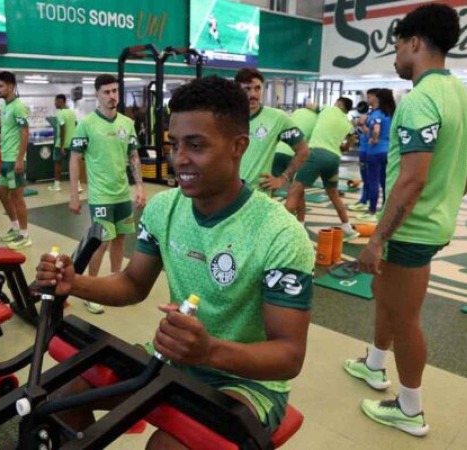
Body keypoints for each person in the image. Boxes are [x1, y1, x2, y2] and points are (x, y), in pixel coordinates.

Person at [36, 76, 314, 447]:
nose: (179, 159)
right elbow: (134, 283)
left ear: (238, 146)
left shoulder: (280, 234)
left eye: (196, 146)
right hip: (175, 358)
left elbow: (289, 356)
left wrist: (209, 350)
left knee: (165, 447)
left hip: (248, 383)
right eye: (175, 144)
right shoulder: (164, 209)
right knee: (60, 398)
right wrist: (76, 282)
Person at [344, 4, 466, 437]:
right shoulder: (461, 94)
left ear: (414, 43)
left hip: (411, 229)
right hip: (432, 223)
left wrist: (377, 240)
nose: (395, 57)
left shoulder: (420, 100)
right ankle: (376, 364)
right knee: (386, 295)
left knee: (405, 316)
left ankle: (410, 408)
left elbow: (412, 181)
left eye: (396, 47)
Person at [68, 74, 146, 314]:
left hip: (122, 195)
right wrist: (74, 194)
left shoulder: (126, 123)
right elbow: (75, 158)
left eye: (115, 91)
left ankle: (115, 282)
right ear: (97, 94)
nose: (112, 96)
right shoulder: (87, 124)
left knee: (121, 239)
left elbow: (133, 156)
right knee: (100, 243)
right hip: (101, 196)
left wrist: (140, 187)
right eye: (107, 92)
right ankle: (92, 289)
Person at [284, 98, 359, 239]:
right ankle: (348, 228)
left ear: (339, 104)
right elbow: (351, 141)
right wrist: (344, 147)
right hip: (334, 159)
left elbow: (309, 104)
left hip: (316, 154)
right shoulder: (348, 124)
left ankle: (282, 229)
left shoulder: (327, 109)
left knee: (294, 191)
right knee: (334, 195)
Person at [234, 68, 309, 193]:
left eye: (257, 88)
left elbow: (303, 151)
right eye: (247, 89)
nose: (253, 94)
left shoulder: (277, 118)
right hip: (226, 194)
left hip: (257, 196)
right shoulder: (225, 117)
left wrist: (282, 179)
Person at [0, 71, 32, 249]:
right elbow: (9, 132)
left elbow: (25, 132)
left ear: (10, 86)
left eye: (0, 86)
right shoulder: (4, 107)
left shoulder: (18, 106)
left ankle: (24, 235)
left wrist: (19, 159)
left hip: (14, 159)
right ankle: (15, 227)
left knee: (17, 198)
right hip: (4, 158)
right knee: (1, 194)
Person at [356, 88, 395, 223]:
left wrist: (369, 134)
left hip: (375, 152)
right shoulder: (390, 114)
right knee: (385, 182)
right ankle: (384, 209)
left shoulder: (377, 114)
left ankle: (372, 210)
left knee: (373, 182)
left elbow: (376, 131)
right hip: (388, 151)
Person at [271, 104, 318, 183]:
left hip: (278, 151)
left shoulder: (297, 111)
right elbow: (310, 144)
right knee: (294, 187)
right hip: (295, 154)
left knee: (271, 184)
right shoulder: (317, 118)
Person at [349, 91, 378, 212]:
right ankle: (363, 200)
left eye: (370, 97)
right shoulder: (370, 113)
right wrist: (357, 122)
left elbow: (372, 133)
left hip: (370, 150)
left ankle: (370, 206)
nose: (367, 99)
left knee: (371, 180)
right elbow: (359, 124)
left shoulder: (378, 115)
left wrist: (362, 125)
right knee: (365, 178)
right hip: (364, 149)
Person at [48, 94, 78, 193]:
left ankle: (57, 185)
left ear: (61, 101)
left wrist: (61, 146)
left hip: (61, 144)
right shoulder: (72, 113)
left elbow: (62, 129)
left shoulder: (60, 114)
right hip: (72, 143)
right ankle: (77, 186)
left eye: (56, 101)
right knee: (73, 165)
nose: (54, 103)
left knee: (57, 164)